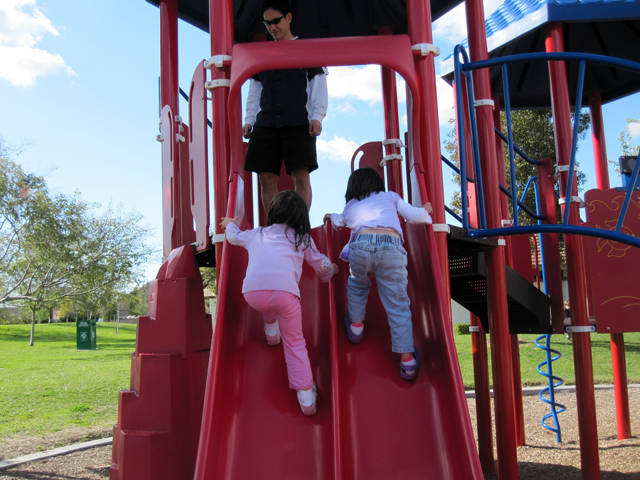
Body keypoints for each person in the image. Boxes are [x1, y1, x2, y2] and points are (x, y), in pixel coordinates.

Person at [220, 190, 338, 415]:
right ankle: (305, 397)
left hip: (252, 294)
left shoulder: (257, 233)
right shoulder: (302, 238)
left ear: (272, 212)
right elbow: (321, 265)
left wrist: (229, 224)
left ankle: (271, 332)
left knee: (268, 304)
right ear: (301, 217)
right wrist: (330, 273)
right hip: (285, 296)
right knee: (294, 342)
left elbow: (233, 237)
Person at [325, 168, 433, 381]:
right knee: (397, 304)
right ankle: (407, 361)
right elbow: (414, 216)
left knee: (357, 283)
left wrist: (330, 215)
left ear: (352, 188)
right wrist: (426, 210)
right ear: (378, 184)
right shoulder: (391, 197)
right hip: (391, 248)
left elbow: (338, 221)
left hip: (361, 247)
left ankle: (356, 327)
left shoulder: (351, 206)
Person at [243, 0, 328, 212]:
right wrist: (249, 120)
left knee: (301, 175)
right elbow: (254, 91)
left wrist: (317, 116)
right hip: (266, 121)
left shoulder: (307, 50)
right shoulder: (261, 54)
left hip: (299, 121)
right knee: (266, 176)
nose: (272, 27)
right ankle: (274, 228)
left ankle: (301, 226)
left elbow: (318, 85)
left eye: (276, 21)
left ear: (288, 18)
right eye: (267, 23)